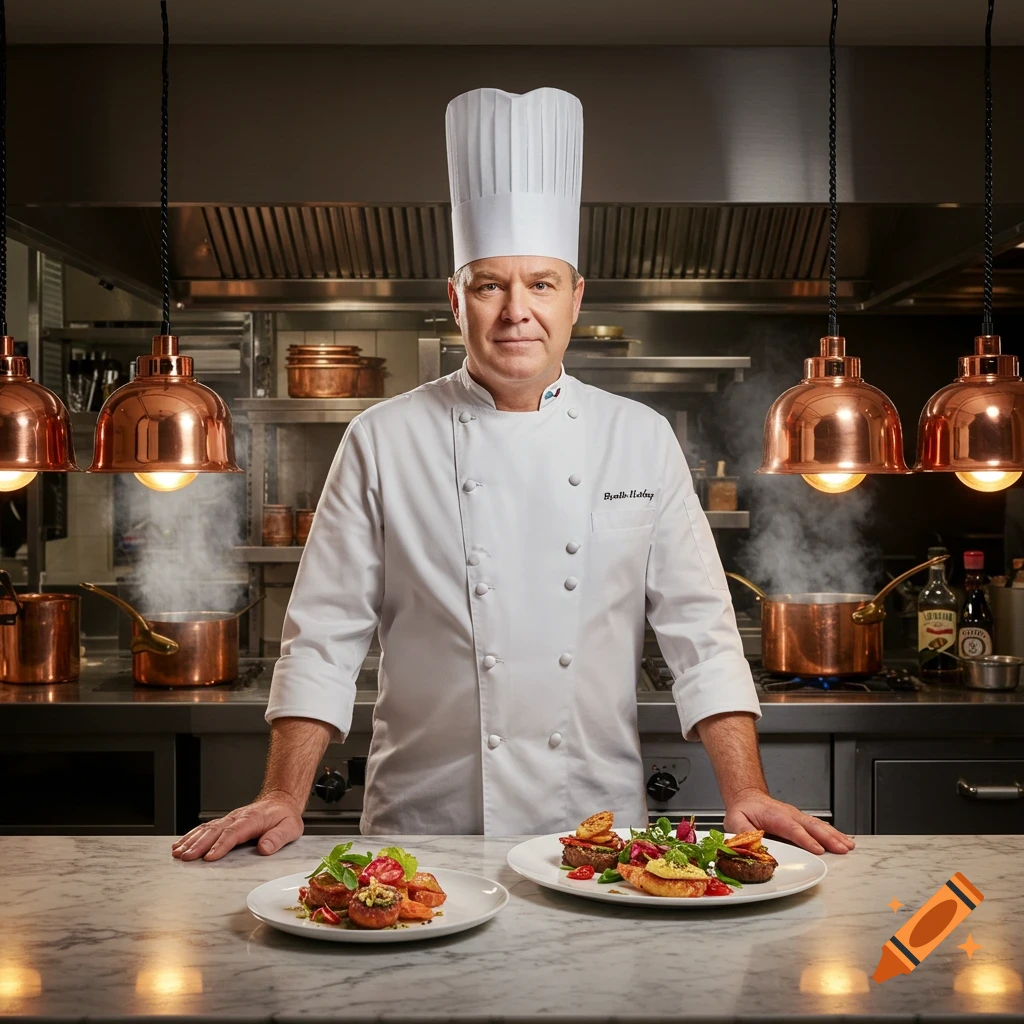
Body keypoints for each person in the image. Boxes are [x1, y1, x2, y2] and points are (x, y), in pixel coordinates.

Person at [174, 87, 855, 861]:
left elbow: (701, 635)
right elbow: (324, 638)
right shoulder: (380, 438)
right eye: (490, 284)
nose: (515, 311)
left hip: (596, 834)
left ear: (576, 298)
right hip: (423, 833)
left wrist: (747, 791)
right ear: (455, 301)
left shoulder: (639, 439)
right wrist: (280, 795)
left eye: (541, 283)